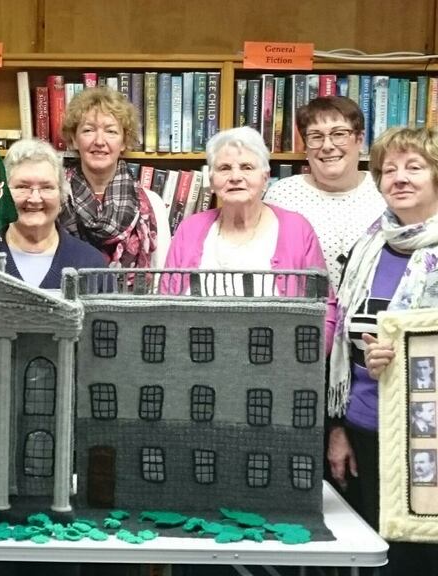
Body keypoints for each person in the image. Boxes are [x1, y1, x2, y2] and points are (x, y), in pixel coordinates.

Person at [329, 127, 438, 572]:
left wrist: (409, 361)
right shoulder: (368, 247)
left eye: (415, 167)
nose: (400, 178)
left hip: (426, 440)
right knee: (371, 557)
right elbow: (342, 341)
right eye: (388, 169)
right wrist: (338, 428)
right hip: (365, 429)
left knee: (419, 559)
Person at [161, 127, 335, 336]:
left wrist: (304, 362)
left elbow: (325, 309)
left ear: (265, 177)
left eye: (247, 167)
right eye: (224, 168)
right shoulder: (190, 229)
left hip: (278, 364)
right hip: (195, 361)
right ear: (212, 179)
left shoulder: (297, 229)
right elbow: (165, 306)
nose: (235, 177)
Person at [263, 96, 386, 288]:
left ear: (360, 140)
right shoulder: (282, 195)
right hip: (305, 314)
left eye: (339, 134)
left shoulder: (385, 189)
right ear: (306, 146)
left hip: (374, 313)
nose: (327, 146)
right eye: (316, 137)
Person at [0, 138, 106, 288]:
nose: (35, 198)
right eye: (22, 187)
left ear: (62, 195)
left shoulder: (91, 263)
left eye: (46, 187)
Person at [57, 86, 158, 268]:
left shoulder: (151, 204)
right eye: (88, 130)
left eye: (111, 131)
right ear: (73, 139)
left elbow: (162, 274)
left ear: (124, 141)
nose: (99, 141)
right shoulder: (54, 199)